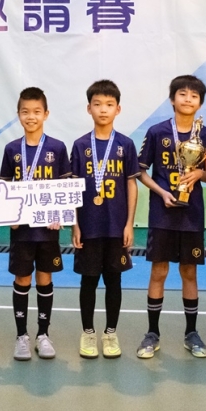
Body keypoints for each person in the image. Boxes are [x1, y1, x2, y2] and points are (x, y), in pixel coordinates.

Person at [136, 75, 206, 359]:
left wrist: (199, 173)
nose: (188, 99)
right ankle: (152, 333)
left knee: (189, 272)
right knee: (158, 272)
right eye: (182, 94)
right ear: (172, 99)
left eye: (194, 96)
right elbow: (141, 171)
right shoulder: (157, 132)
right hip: (162, 214)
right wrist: (161, 193)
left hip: (191, 215)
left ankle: (191, 333)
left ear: (200, 103)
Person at [70, 80, 140, 359]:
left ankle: (110, 333)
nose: (103, 109)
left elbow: (132, 184)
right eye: (97, 104)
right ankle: (88, 332)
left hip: (116, 226)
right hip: (88, 226)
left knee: (114, 280)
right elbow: (72, 189)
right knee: (88, 281)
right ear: (89, 108)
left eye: (109, 104)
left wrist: (129, 223)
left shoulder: (125, 144)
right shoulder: (79, 145)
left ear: (118, 109)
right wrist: (75, 224)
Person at [0, 87, 70, 361]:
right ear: (18, 115)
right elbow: (4, 189)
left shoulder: (57, 148)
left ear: (46, 114)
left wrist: (60, 215)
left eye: (36, 112)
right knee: (22, 279)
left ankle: (43, 335)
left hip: (47, 230)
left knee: (45, 278)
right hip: (21, 231)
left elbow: (65, 188)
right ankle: (22, 336)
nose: (31, 117)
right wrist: (8, 217)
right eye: (25, 112)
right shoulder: (11, 149)